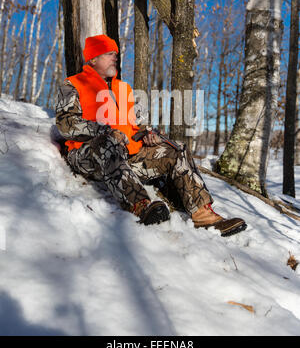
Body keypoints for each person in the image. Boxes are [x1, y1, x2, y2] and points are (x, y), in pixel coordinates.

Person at [56, 34, 247, 236]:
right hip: (89, 156)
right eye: (109, 54)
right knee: (107, 141)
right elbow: (66, 124)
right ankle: (140, 205)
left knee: (175, 148)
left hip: (126, 159)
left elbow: (139, 125)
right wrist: (105, 130)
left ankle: (202, 213)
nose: (115, 57)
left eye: (115, 54)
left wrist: (148, 134)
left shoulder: (124, 89)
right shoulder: (73, 84)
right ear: (93, 59)